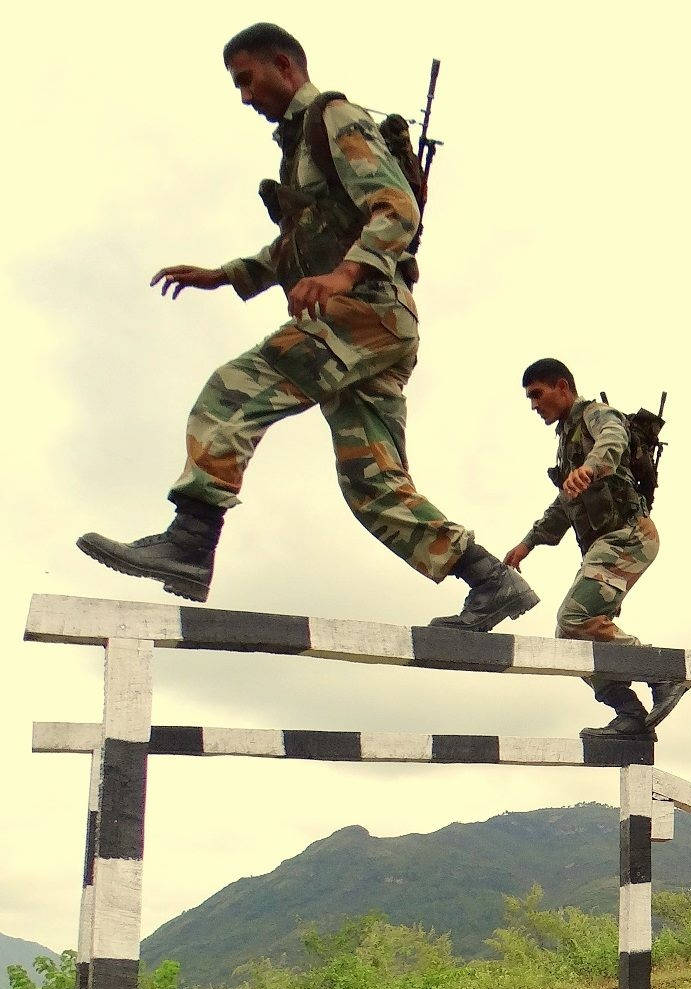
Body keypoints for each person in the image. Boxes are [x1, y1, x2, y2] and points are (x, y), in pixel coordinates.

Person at [76, 23, 534, 633]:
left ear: (284, 65)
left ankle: (190, 541)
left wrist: (345, 277)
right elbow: (298, 242)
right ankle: (491, 580)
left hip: (366, 311)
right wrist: (225, 274)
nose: (243, 96)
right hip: (374, 326)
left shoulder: (334, 116)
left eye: (246, 79)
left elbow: (396, 208)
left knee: (234, 391)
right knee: (373, 485)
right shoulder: (298, 147)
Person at [503, 359, 685, 737]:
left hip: (630, 535)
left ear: (562, 387)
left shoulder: (595, 416)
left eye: (538, 394)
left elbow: (613, 439)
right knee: (569, 636)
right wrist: (528, 543)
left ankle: (661, 671)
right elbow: (563, 506)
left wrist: (591, 467)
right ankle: (630, 714)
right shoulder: (566, 443)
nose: (534, 406)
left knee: (573, 619)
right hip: (606, 544)